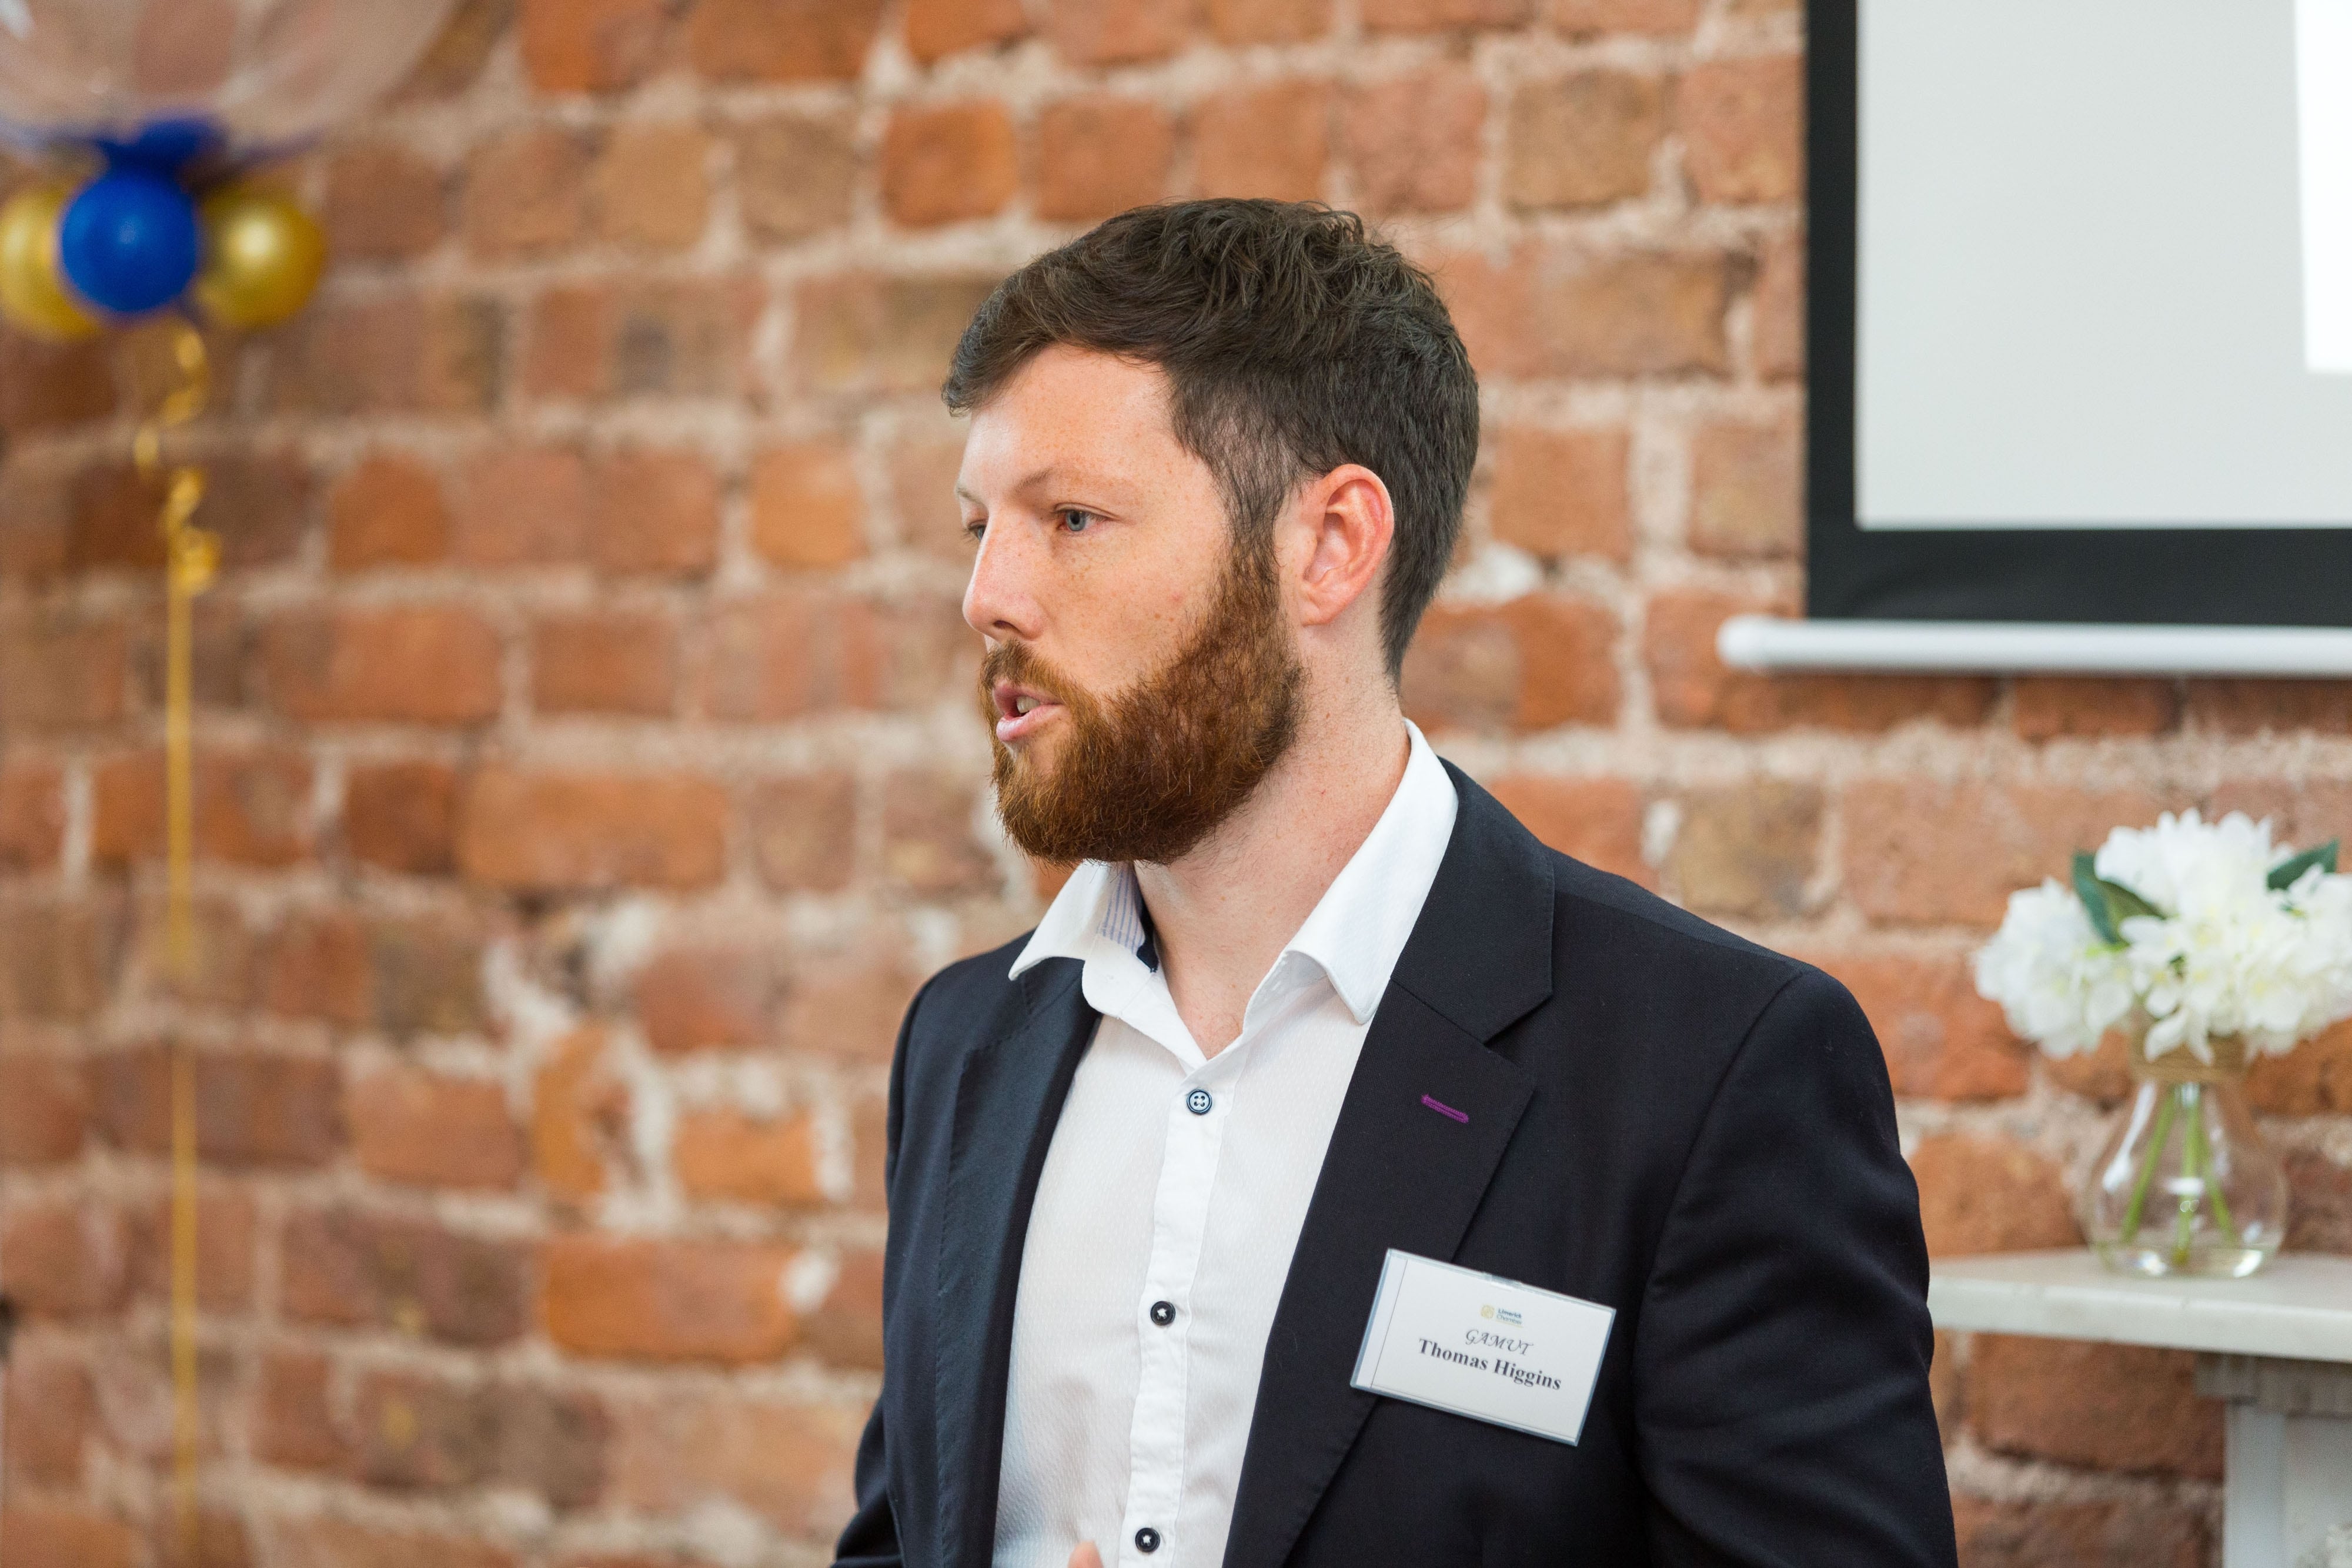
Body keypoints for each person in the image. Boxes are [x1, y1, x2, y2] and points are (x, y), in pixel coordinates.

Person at [833, 200, 1955, 1568]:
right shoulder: (964, 1042)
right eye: (976, 528)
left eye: (1071, 517)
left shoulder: (1706, 1069)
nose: (989, 596)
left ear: (1329, 545)